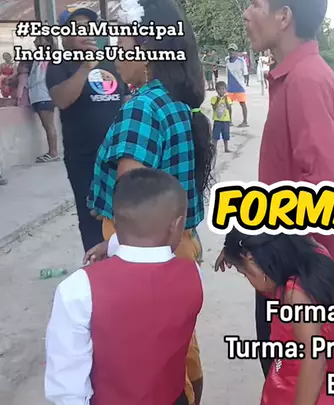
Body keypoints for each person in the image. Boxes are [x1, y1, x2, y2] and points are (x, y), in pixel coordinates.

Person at [86, 0, 214, 402]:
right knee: (180, 350)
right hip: (176, 246)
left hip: (144, 254)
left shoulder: (142, 108)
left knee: (150, 363)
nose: (115, 50)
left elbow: (134, 201)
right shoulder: (174, 103)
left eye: (122, 40)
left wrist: (113, 247)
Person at [243, 0, 334, 377]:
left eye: (255, 4)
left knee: (290, 382)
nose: (246, 14)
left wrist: (299, 283)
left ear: (284, 16)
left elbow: (323, 189)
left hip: (292, 274)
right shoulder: (297, 75)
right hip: (285, 266)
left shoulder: (306, 80)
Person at [45, 168, 203, 405]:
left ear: (115, 222)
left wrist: (111, 245)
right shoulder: (194, 276)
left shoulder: (78, 288)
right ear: (177, 225)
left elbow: (67, 384)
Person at [215, 231, 334, 405]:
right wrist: (235, 247)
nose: (249, 280)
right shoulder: (313, 254)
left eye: (245, 273)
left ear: (252, 259)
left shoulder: (295, 296)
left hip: (305, 389)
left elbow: (314, 361)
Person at [46, 7, 128, 252]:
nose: (87, 33)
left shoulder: (111, 63)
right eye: (79, 28)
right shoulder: (59, 64)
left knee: (125, 212)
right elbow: (61, 100)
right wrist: (85, 68)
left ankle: (124, 262)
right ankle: (97, 266)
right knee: (91, 216)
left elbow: (124, 100)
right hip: (84, 159)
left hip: (117, 155)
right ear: (65, 36)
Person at [29, 36, 60, 163]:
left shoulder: (47, 58)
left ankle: (53, 152)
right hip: (39, 95)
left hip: (44, 95)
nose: (35, 42)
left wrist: (29, 83)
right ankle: (52, 151)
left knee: (48, 125)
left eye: (39, 40)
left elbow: (39, 77)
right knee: (47, 125)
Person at [225, 43, 249, 127]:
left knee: (242, 104)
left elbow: (245, 73)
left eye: (233, 50)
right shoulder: (227, 60)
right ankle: (229, 121)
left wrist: (245, 84)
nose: (231, 52)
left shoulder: (241, 61)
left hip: (239, 86)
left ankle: (245, 121)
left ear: (236, 52)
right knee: (228, 104)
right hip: (230, 86)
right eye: (230, 50)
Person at [211, 81, 233, 153]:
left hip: (226, 120)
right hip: (217, 120)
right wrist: (218, 100)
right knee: (215, 136)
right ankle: (214, 149)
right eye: (219, 89)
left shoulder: (228, 98)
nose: (221, 91)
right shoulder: (214, 98)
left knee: (226, 135)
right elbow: (214, 108)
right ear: (216, 90)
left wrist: (230, 119)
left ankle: (226, 148)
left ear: (226, 90)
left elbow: (229, 108)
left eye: (223, 89)